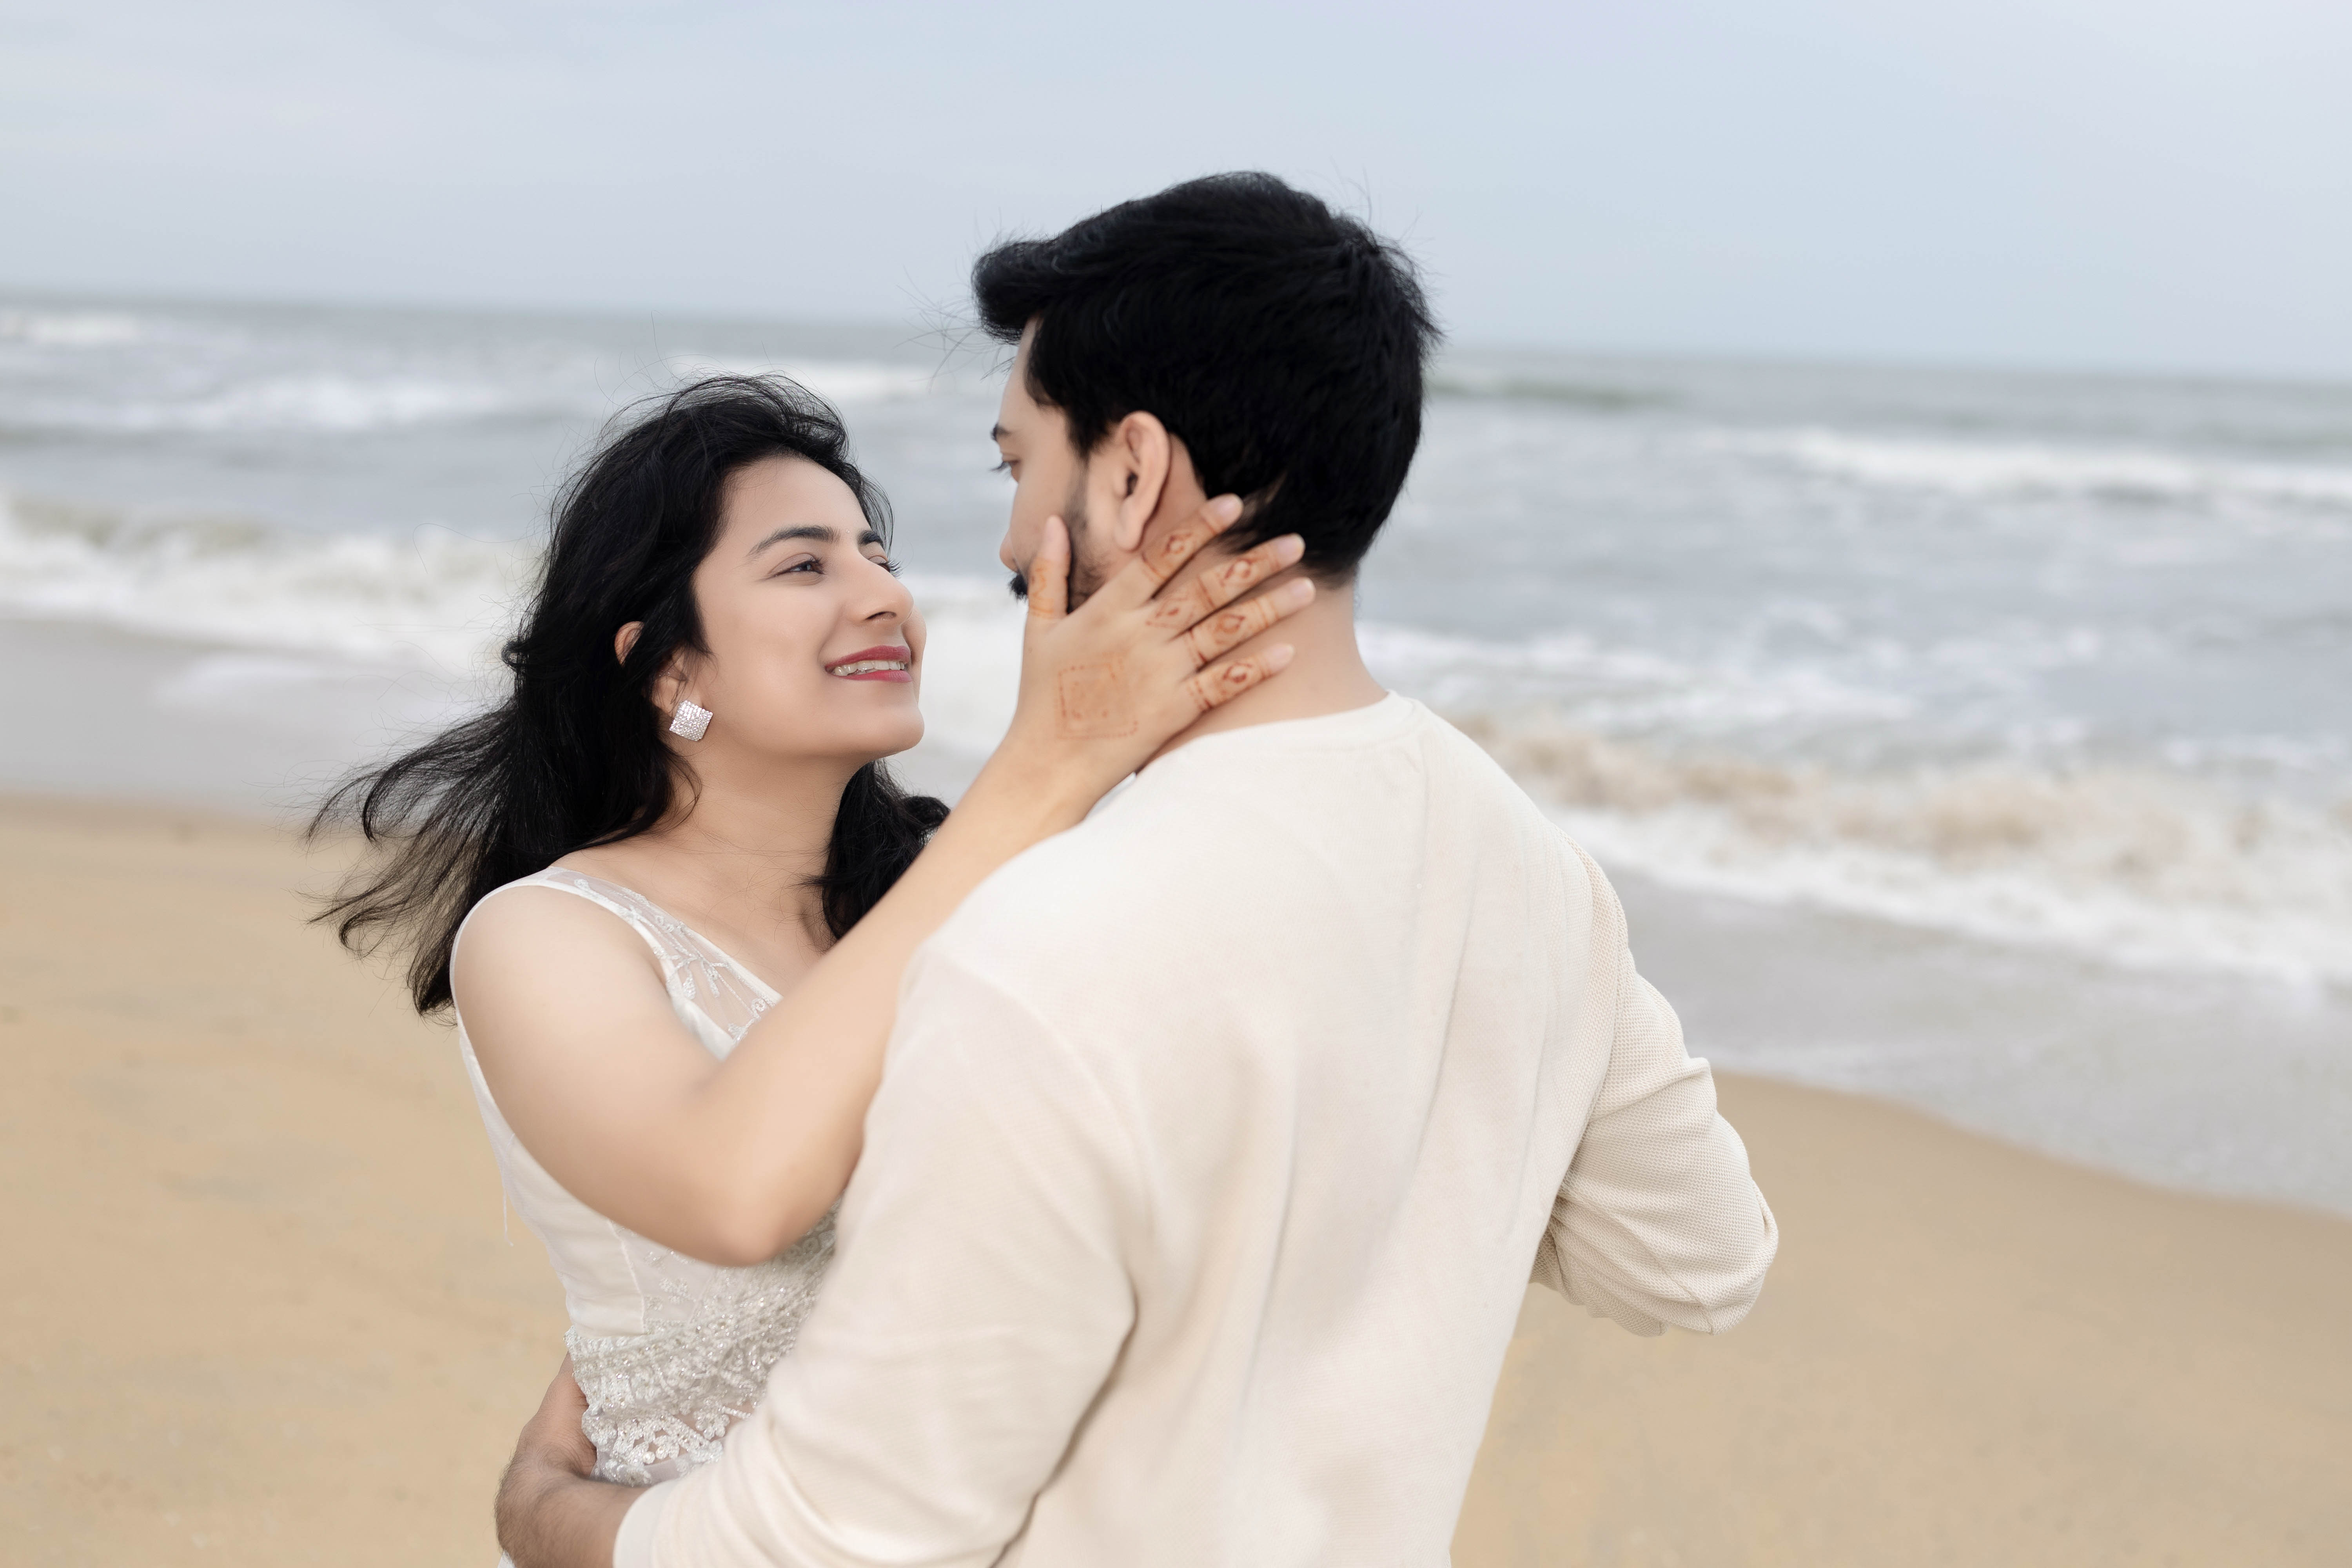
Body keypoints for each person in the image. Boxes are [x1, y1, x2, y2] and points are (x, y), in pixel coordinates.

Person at [497, 173, 1779, 1568]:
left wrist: (557, 1523)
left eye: (1014, 467)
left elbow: (837, 1542)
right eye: (810, 565)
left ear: (1129, 472)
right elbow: (1700, 1261)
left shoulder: (1034, 949)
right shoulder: (1528, 868)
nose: (983, 549)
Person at [315, 375, 1313, 1501]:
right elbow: (735, 1192)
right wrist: (1044, 769)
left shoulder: (961, 887)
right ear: (670, 668)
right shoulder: (544, 934)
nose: (882, 595)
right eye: (805, 565)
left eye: (877, 553)